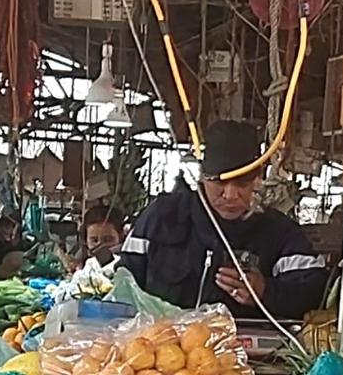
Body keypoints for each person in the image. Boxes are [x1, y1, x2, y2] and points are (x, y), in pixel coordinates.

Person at [122, 121, 328, 321]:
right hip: (162, 341)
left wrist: (266, 292)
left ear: (258, 179)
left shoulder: (280, 232)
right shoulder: (162, 217)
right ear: (203, 176)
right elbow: (124, 283)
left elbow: (315, 292)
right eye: (220, 182)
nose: (230, 195)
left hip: (245, 343)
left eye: (242, 183)